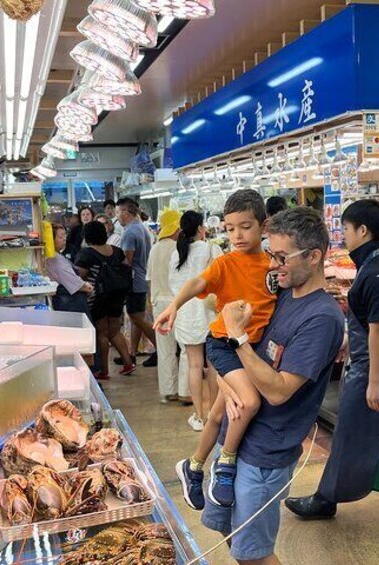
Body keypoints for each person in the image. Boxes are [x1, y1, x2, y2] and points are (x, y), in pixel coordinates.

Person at [203, 207, 344, 565]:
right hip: (239, 437)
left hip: (266, 451)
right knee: (234, 536)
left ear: (314, 257)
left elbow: (279, 390)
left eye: (282, 257)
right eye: (271, 255)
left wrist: (237, 339)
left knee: (254, 554)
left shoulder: (322, 318)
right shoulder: (282, 297)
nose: (272, 265)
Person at [286, 199, 379, 519]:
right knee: (352, 434)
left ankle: (327, 499)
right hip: (368, 362)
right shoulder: (377, 265)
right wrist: (349, 343)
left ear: (363, 231)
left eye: (347, 229)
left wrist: (376, 381)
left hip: (374, 368)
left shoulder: (378, 273)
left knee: (351, 433)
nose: (344, 235)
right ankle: (330, 495)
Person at [155, 189, 276, 509]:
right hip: (224, 343)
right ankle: (225, 464)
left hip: (251, 348)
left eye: (245, 226)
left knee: (221, 412)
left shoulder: (272, 266)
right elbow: (198, 283)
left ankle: (193, 467)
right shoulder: (225, 262)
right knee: (248, 402)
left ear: (263, 226)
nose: (236, 234)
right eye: (230, 228)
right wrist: (174, 306)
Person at [169, 211, 223, 431]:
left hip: (185, 314)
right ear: (201, 228)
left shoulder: (177, 253)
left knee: (194, 365)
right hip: (209, 313)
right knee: (213, 367)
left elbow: (174, 286)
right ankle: (215, 415)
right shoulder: (211, 249)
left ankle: (198, 416)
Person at [75, 221, 136, 379]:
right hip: (117, 295)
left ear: (87, 236)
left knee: (101, 332)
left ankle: (103, 369)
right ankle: (128, 362)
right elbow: (126, 268)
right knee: (114, 330)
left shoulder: (86, 254)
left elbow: (79, 277)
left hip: (98, 297)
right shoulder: (116, 251)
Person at [146, 208, 189, 404]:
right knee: (186, 348)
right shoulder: (177, 247)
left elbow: (149, 279)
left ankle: (168, 391)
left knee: (165, 349)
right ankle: (185, 391)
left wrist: (150, 302)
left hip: (158, 302)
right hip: (176, 302)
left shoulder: (155, 248)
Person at [117, 197, 158, 367]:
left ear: (126, 212)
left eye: (119, 212)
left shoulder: (129, 232)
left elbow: (127, 260)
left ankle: (160, 348)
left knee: (137, 317)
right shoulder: (142, 228)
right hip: (142, 278)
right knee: (137, 317)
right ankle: (131, 353)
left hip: (134, 280)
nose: (118, 216)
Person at [45, 224, 93, 315]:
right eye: (60, 236)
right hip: (70, 305)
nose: (64, 239)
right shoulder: (55, 259)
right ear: (51, 240)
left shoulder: (53, 256)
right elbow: (76, 285)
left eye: (64, 235)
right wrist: (87, 287)